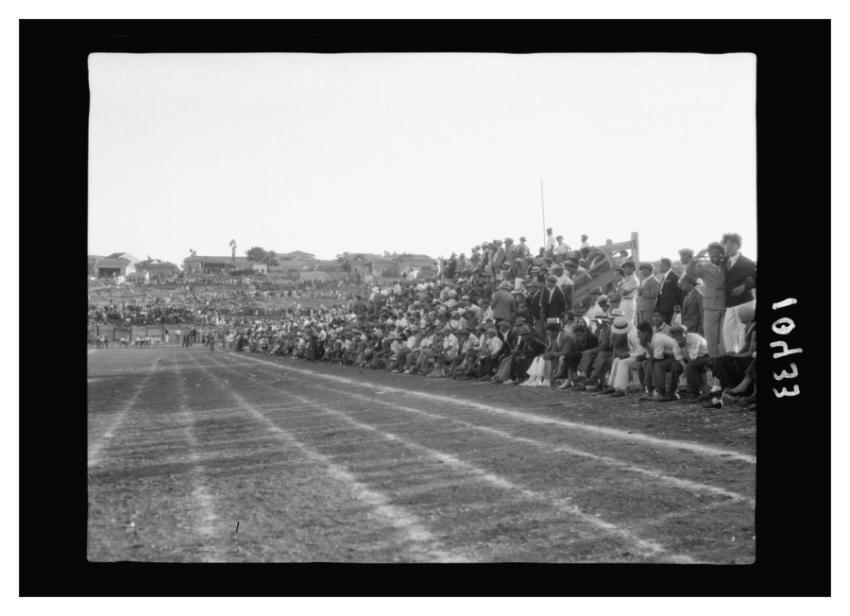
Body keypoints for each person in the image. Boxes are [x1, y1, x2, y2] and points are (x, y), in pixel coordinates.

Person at [683, 242, 726, 361]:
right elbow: (690, 271)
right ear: (709, 255)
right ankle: (713, 360)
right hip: (710, 306)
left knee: (724, 337)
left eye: (718, 253)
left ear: (722, 254)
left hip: (725, 305)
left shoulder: (726, 266)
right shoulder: (704, 268)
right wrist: (697, 257)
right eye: (712, 253)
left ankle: (724, 361)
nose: (715, 255)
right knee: (711, 336)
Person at [721, 233, 757, 354]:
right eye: (726, 244)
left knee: (743, 331)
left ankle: (743, 356)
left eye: (732, 244)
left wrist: (744, 286)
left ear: (738, 246)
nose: (728, 246)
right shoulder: (724, 261)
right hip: (730, 302)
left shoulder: (748, 262)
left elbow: (754, 278)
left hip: (744, 301)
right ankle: (731, 355)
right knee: (727, 330)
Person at [668, 324, 710, 400]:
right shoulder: (676, 341)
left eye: (680, 335)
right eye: (675, 336)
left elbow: (691, 359)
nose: (678, 337)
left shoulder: (694, 338)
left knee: (690, 366)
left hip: (705, 356)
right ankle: (672, 392)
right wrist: (683, 365)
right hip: (690, 357)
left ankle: (694, 393)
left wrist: (683, 349)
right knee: (675, 366)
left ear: (685, 333)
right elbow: (678, 357)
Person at [655, 257, 682, 325]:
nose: (659, 267)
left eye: (660, 265)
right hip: (662, 307)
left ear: (665, 266)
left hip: (669, 308)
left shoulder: (674, 277)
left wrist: (677, 308)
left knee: (667, 326)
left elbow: (679, 293)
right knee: (662, 326)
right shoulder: (664, 277)